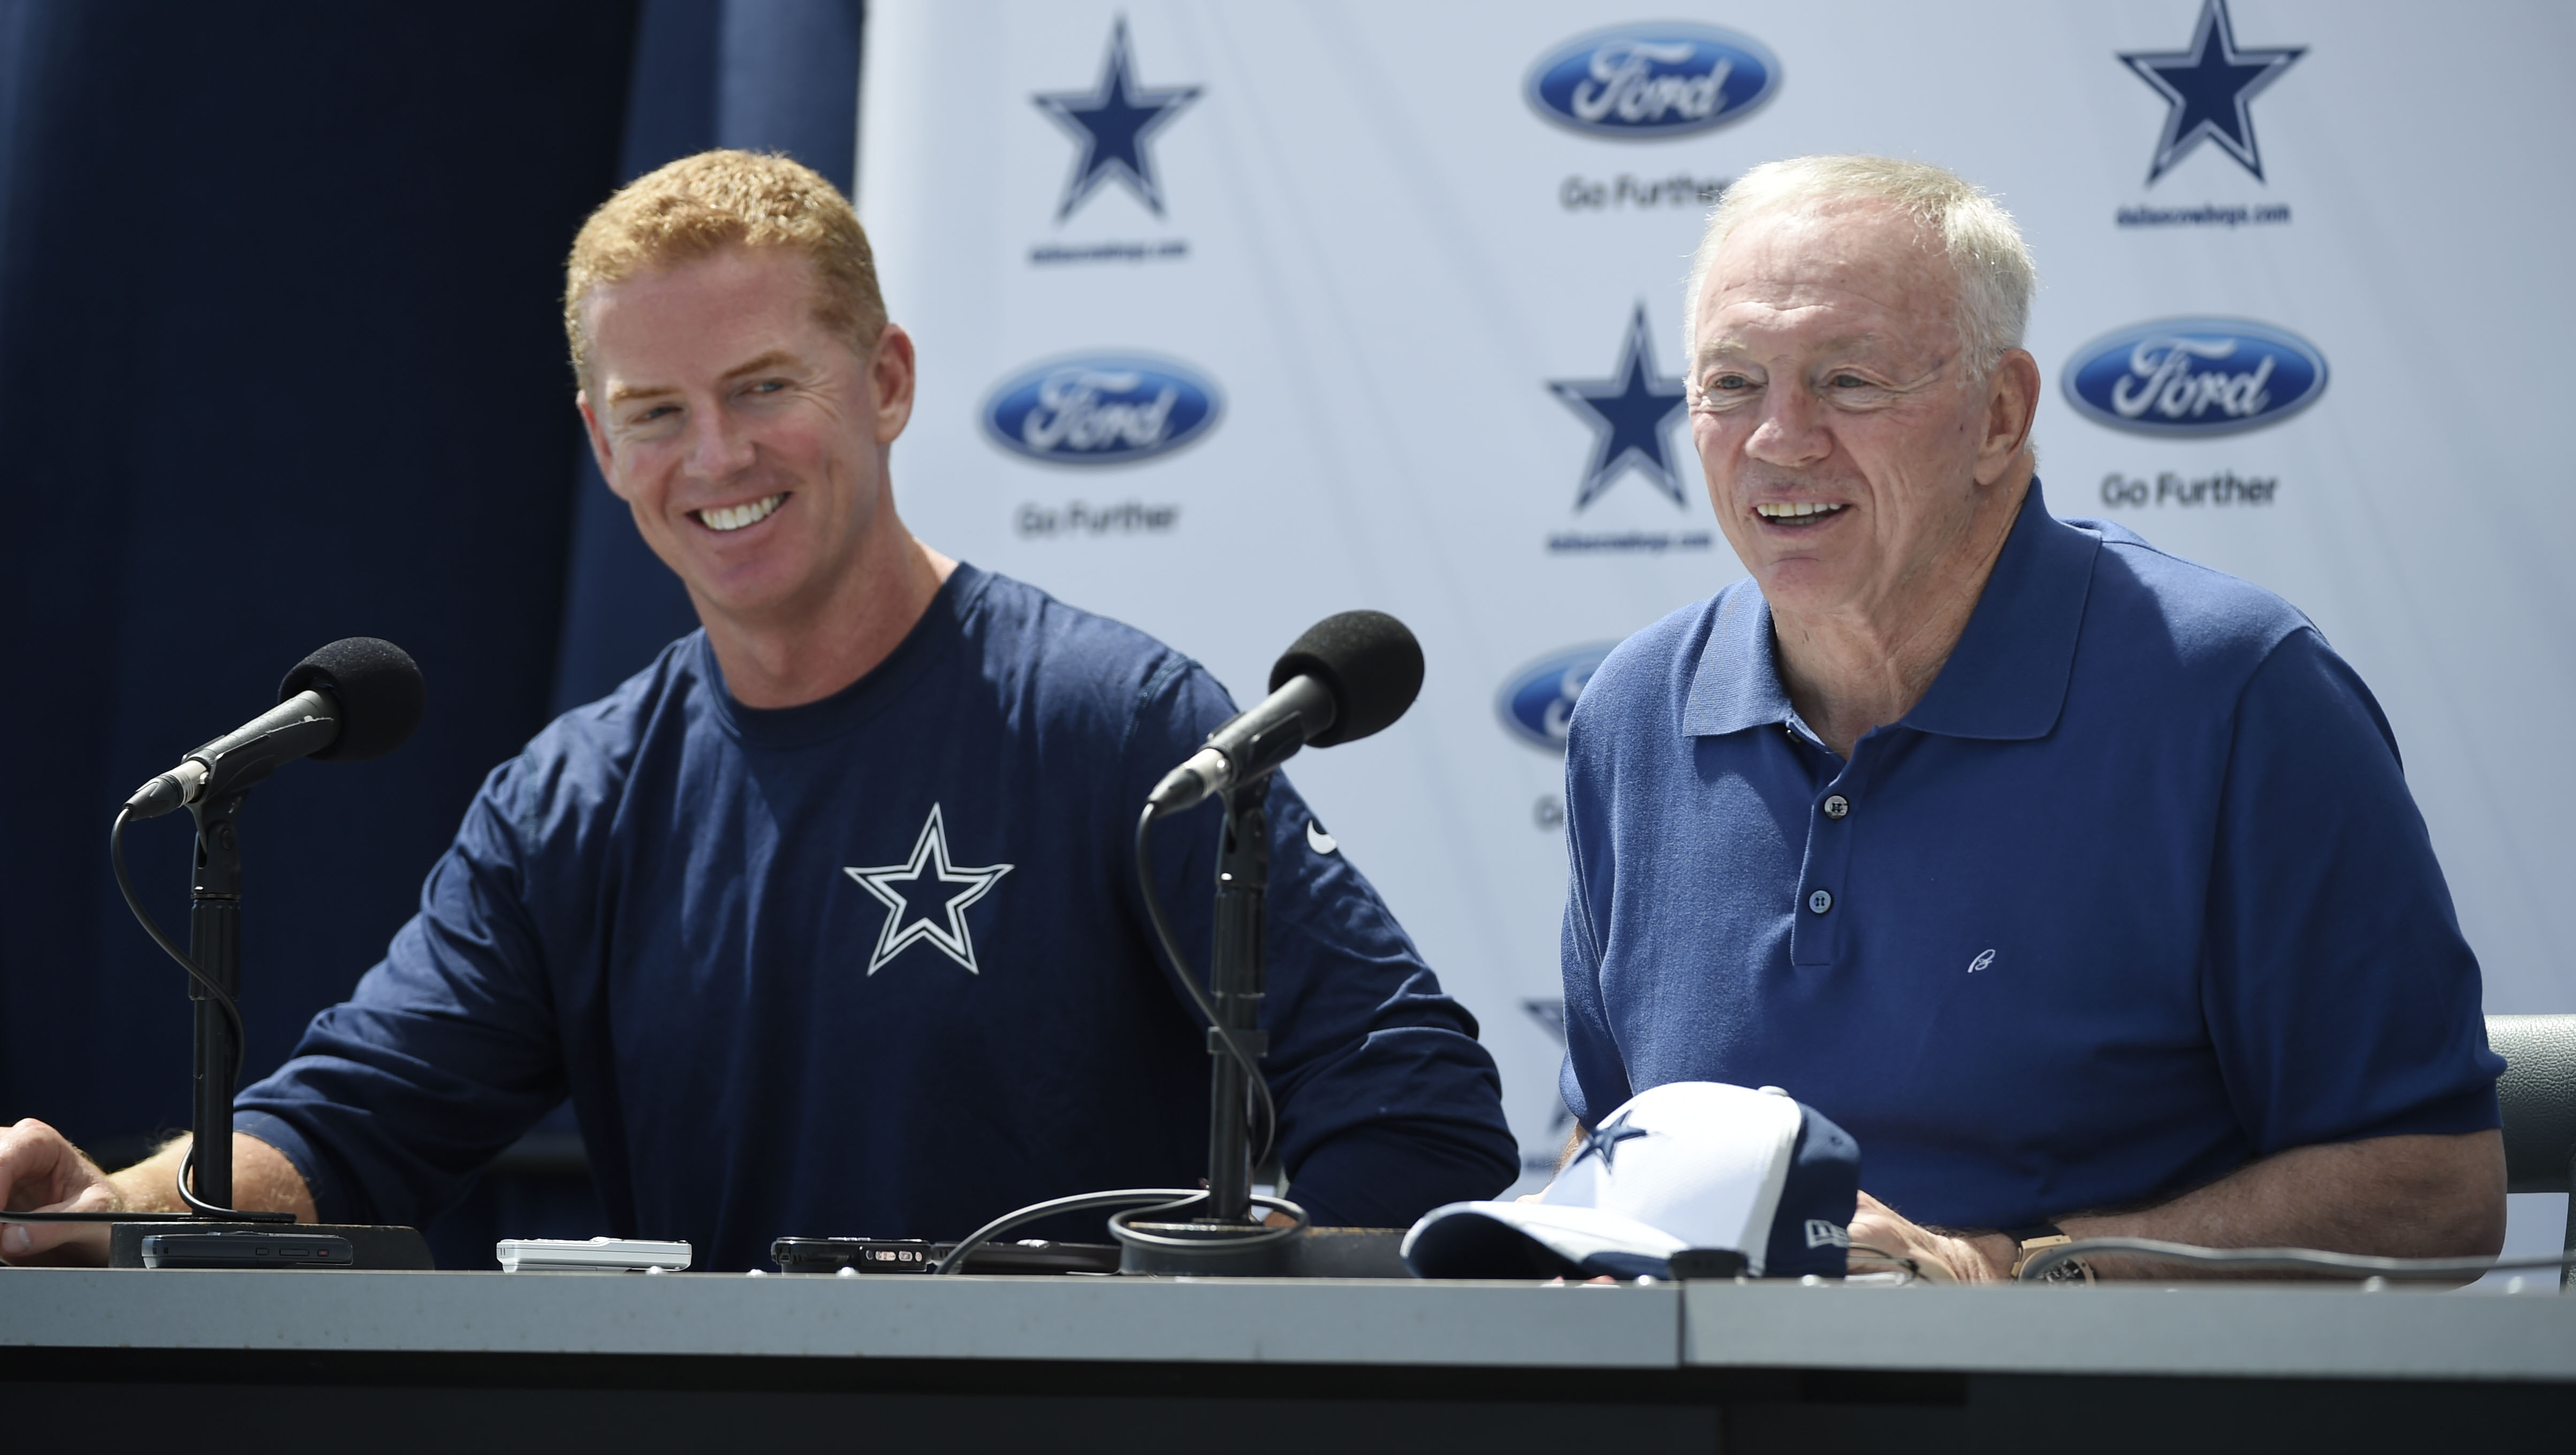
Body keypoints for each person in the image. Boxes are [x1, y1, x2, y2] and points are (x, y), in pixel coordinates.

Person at [0, 150, 1515, 1270]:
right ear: (602, 445)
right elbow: (349, 1123)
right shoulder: (571, 802)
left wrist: (1229, 1345)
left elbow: (1413, 1104)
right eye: (656, 412)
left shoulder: (1114, 723)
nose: (714, 455)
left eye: (764, 385)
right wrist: (105, 1208)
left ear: (888, 380)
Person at [1556, 155, 2504, 1282]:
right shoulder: (1632, 714)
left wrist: (2013, 1275)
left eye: (1847, 381)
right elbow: (1603, 1148)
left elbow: (2433, 1189)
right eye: (1730, 383)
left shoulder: (2235, 694)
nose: (1778, 437)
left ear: (1999, 414)